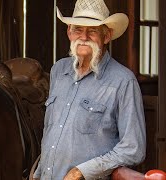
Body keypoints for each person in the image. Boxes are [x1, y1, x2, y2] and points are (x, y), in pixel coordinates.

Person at [33, 0, 146, 179]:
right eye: (78, 29)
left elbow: (133, 148)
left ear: (106, 36)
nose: (83, 37)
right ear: (69, 32)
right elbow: (51, 131)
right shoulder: (59, 70)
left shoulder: (123, 81)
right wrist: (39, 172)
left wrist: (83, 171)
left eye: (92, 31)